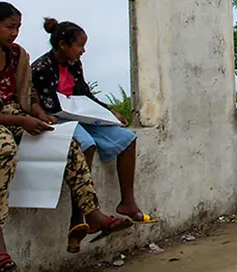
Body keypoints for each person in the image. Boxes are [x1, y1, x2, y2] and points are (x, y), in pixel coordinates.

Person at [0, 2, 133, 272]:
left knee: (67, 143)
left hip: (18, 115)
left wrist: (37, 114)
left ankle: (92, 214)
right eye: (9, 27)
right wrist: (21, 120)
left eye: (18, 28)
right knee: (3, 150)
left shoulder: (15, 55)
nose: (14, 33)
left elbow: (30, 96)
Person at [31, 18, 157, 231]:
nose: (83, 51)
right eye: (80, 46)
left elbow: (84, 93)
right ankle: (81, 212)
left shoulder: (73, 64)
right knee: (86, 143)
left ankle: (127, 201)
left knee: (126, 138)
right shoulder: (42, 68)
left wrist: (109, 111)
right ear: (63, 45)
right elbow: (48, 104)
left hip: (78, 114)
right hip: (56, 117)